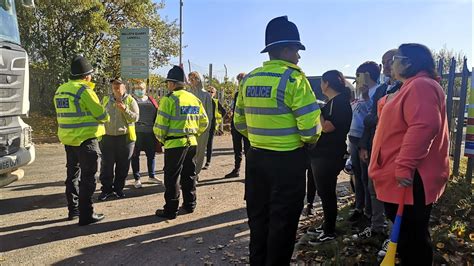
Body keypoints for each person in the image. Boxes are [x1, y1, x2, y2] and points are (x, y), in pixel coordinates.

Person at [234, 16, 322, 265]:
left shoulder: (249, 79)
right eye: (296, 50)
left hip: (256, 159)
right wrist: (307, 141)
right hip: (288, 162)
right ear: (285, 49)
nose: (299, 57)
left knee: (258, 221)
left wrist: (260, 139)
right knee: (282, 225)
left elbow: (239, 122)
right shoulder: (294, 79)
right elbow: (311, 127)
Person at [369, 43, 449, 265]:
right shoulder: (410, 86)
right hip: (403, 177)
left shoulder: (421, 85)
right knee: (408, 236)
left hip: (411, 178)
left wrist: (404, 165)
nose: (391, 64)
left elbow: (424, 126)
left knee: (413, 239)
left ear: (409, 62)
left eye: (396, 58)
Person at [53, 55, 108, 225]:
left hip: (69, 140)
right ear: (86, 76)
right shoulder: (84, 91)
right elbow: (102, 116)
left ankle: (74, 210)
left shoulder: (61, 90)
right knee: (88, 179)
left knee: (72, 176)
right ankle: (86, 214)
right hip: (86, 140)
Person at [154, 66, 209, 219]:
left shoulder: (169, 99)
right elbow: (204, 121)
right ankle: (190, 204)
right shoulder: (194, 99)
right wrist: (194, 133)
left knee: (172, 177)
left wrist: (161, 139)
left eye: (168, 83)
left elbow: (160, 126)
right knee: (189, 175)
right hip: (191, 142)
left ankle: (171, 210)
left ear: (171, 83)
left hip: (174, 144)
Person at [306, 70, 352, 244]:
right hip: (323, 154)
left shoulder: (339, 102)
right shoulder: (333, 102)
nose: (320, 86)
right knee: (324, 192)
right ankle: (326, 225)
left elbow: (327, 127)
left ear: (327, 83)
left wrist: (317, 111)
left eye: (321, 82)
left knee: (327, 194)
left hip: (329, 155)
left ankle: (329, 231)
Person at [346, 62, 380, 229]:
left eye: (359, 75)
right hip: (353, 138)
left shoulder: (376, 91)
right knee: (357, 176)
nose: (357, 79)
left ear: (367, 75)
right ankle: (358, 207)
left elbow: (371, 117)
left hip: (364, 140)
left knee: (367, 178)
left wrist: (366, 97)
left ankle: (368, 212)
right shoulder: (359, 93)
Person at [98, 78, 139, 200]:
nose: (116, 87)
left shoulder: (131, 100)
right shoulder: (105, 100)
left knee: (123, 166)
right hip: (107, 137)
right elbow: (99, 116)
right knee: (106, 165)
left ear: (124, 87)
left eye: (118, 85)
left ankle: (119, 189)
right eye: (114, 84)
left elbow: (135, 118)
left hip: (125, 139)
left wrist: (125, 110)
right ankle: (106, 190)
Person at [130, 82, 160, 188]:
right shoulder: (131, 100)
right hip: (136, 132)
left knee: (151, 155)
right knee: (135, 156)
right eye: (137, 88)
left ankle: (151, 176)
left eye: (141, 88)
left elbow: (157, 113)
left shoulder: (151, 100)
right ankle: (137, 178)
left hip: (150, 132)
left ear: (145, 89)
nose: (139, 90)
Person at [224, 73, 250, 178]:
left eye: (241, 80)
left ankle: (249, 173)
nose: (239, 82)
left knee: (248, 150)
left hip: (247, 125)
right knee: (237, 148)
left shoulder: (248, 93)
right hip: (236, 125)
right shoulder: (237, 94)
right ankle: (236, 169)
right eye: (238, 80)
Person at [188, 71, 213, 175]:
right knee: (189, 152)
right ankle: (188, 173)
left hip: (202, 130)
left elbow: (209, 114)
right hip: (190, 128)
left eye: (193, 79)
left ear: (198, 80)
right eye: (190, 79)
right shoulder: (188, 94)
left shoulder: (206, 95)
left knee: (200, 152)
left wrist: (206, 129)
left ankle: (196, 174)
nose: (191, 81)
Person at [202, 86, 226, 170]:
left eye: (211, 92)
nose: (209, 93)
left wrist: (218, 121)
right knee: (200, 144)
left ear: (214, 94)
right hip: (202, 126)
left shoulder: (215, 102)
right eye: (208, 91)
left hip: (211, 126)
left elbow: (223, 111)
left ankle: (208, 162)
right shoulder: (202, 101)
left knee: (209, 144)